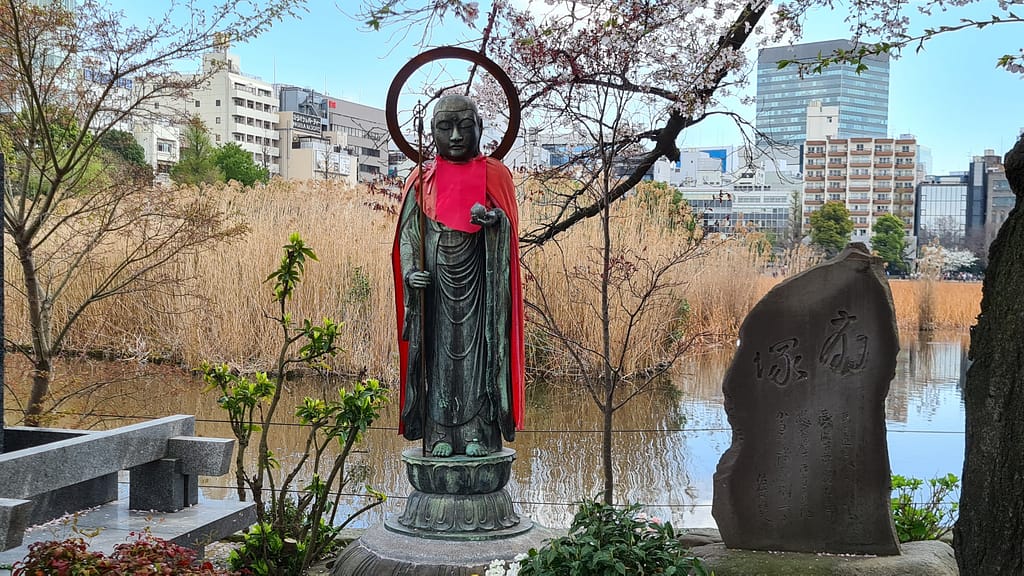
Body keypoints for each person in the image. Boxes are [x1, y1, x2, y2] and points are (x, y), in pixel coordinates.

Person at [391, 94, 525, 458]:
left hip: (480, 286)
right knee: (438, 360)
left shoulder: (495, 174)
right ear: (431, 132)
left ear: (480, 128)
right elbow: (409, 235)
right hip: (434, 291)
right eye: (444, 128)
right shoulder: (423, 178)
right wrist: (411, 272)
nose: (454, 137)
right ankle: (439, 432)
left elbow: (509, 232)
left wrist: (495, 223)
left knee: (479, 357)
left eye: (464, 127)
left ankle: (478, 432)